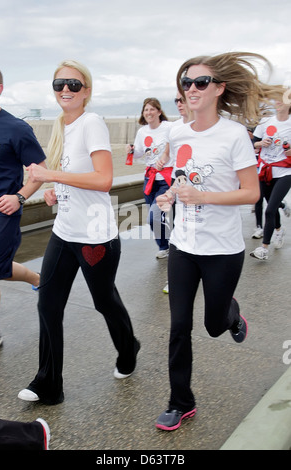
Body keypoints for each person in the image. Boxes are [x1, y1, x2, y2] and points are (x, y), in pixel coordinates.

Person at [155, 52, 284, 431]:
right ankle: (180, 402)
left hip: (222, 250)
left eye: (200, 83)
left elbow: (250, 194)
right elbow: (182, 181)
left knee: (212, 325)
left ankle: (229, 312)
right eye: (186, 83)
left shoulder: (233, 135)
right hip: (184, 245)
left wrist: (204, 197)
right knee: (179, 326)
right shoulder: (177, 133)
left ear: (219, 89)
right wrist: (171, 195)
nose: (191, 89)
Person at [18, 60, 140, 405]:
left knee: (104, 301)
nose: (66, 91)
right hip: (64, 231)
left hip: (95, 237)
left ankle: (128, 347)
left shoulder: (92, 123)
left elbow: (103, 179)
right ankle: (48, 383)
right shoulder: (61, 126)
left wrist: (53, 177)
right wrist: (58, 191)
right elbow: (75, 178)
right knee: (48, 304)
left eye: (73, 84)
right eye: (59, 85)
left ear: (86, 90)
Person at [0, 64, 46, 349]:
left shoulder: (15, 128)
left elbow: (40, 170)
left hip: (1, 210)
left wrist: (20, 197)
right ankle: (37, 278)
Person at [129, 98, 173, 259]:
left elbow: (177, 144)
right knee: (155, 219)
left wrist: (166, 156)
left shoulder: (169, 127)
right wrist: (132, 150)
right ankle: (166, 245)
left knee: (154, 215)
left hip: (167, 179)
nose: (149, 113)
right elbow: (139, 153)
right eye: (146, 110)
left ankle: (170, 245)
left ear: (159, 112)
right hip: (150, 179)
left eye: (152, 109)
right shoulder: (142, 132)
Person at [250, 100, 291, 260]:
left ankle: (264, 248)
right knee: (270, 207)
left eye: (284, 100)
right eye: (278, 100)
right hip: (265, 170)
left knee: (269, 209)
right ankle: (279, 231)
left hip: (285, 172)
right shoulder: (266, 121)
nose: (279, 102)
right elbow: (253, 142)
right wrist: (260, 143)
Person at [163, 92, 192, 293]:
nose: (179, 104)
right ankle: (174, 279)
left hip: (200, 189)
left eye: (182, 100)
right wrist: (170, 192)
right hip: (178, 183)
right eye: (176, 101)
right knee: (175, 228)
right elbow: (168, 155)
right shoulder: (174, 128)